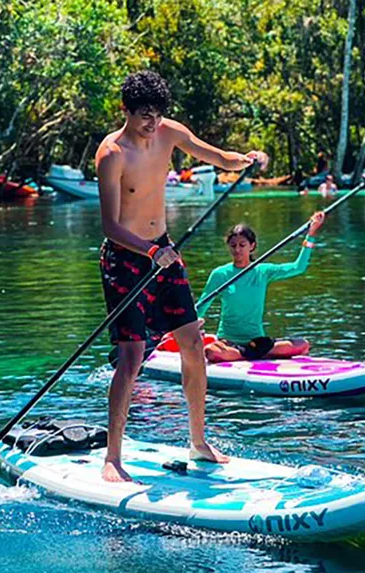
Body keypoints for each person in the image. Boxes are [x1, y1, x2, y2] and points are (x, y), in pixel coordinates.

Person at [95, 70, 269, 481]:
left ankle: (198, 441)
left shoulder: (170, 133)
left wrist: (245, 160)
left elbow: (218, 158)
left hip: (164, 253)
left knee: (192, 341)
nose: (152, 124)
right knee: (132, 355)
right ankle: (112, 457)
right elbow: (109, 226)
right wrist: (153, 251)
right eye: (143, 116)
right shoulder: (111, 154)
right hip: (126, 259)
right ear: (126, 111)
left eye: (157, 115)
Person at [198, 212, 326, 363]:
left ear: (252, 246)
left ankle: (252, 354)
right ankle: (253, 355)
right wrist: (188, 325)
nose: (237, 250)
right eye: (233, 246)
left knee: (302, 344)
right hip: (229, 343)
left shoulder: (263, 271)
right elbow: (202, 306)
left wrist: (310, 235)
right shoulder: (220, 274)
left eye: (242, 245)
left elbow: (299, 267)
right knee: (210, 351)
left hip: (258, 342)